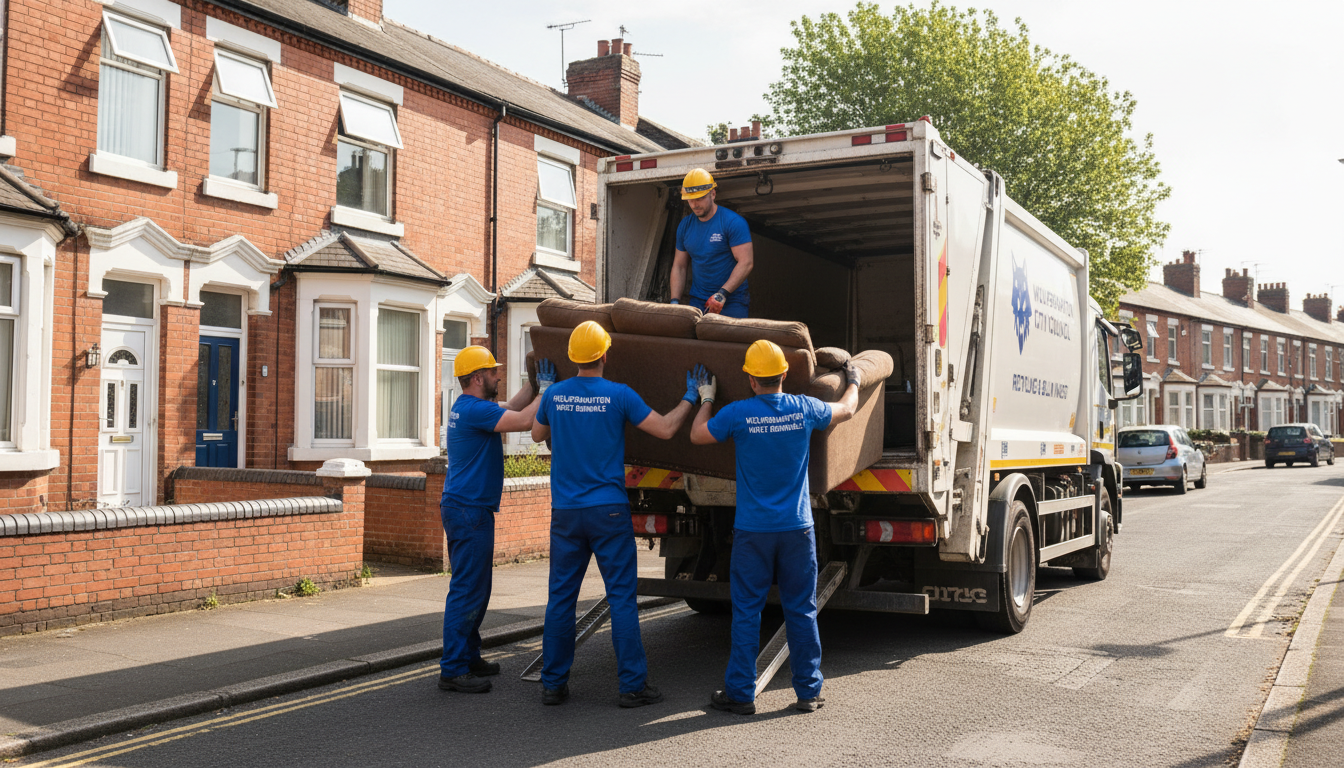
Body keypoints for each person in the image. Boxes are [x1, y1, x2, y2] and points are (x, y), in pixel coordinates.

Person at [531, 321, 705, 707]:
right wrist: (691, 396)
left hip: (566, 513)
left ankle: (553, 684)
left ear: (573, 358)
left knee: (561, 599)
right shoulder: (619, 395)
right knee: (622, 598)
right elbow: (665, 429)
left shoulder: (555, 394)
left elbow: (536, 435)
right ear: (605, 355)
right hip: (608, 512)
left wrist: (545, 390)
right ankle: (632, 686)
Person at [690, 340, 860, 714]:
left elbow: (697, 435)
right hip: (797, 530)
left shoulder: (738, 413)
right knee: (801, 610)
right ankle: (808, 692)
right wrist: (854, 380)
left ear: (751, 380)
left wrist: (706, 398)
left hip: (753, 533)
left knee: (747, 612)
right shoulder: (804, 408)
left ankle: (741, 694)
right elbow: (848, 409)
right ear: (784, 374)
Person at [438, 345, 556, 694]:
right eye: (492, 372)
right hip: (469, 510)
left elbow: (514, 407)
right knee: (468, 589)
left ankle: (468, 656)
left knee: (477, 588)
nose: (498, 375)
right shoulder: (475, 410)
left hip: (466, 508)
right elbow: (524, 421)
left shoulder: (467, 407)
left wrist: (535, 385)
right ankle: (453, 669)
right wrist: (548, 392)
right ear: (477, 378)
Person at [670, 168, 754, 318]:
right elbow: (679, 265)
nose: (694, 204)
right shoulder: (685, 226)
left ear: (713, 194)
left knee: (729, 334)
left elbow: (746, 262)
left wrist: (722, 294)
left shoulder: (733, 222)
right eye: (690, 199)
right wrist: (674, 302)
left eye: (700, 198)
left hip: (732, 300)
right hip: (698, 300)